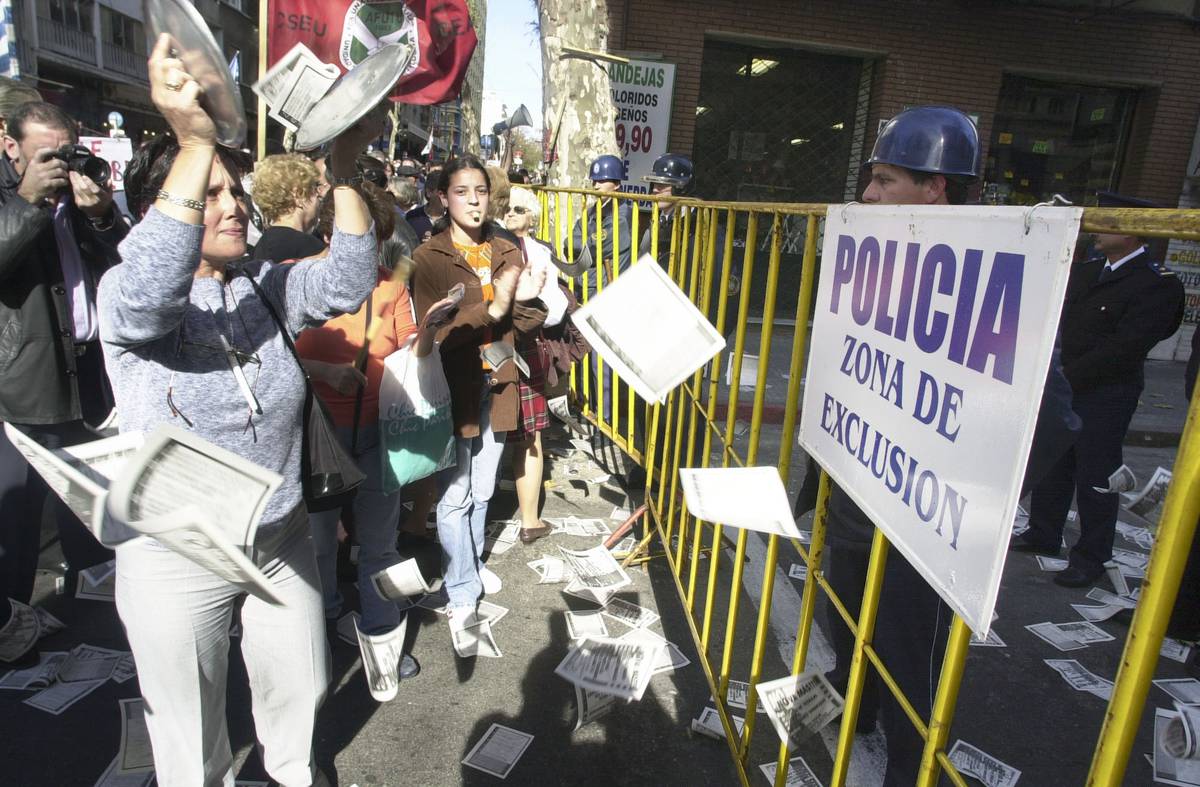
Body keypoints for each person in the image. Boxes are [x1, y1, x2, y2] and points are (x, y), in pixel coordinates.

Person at [96, 35, 380, 786]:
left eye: (233, 192)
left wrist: (343, 172)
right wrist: (195, 139)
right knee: (190, 732)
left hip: (280, 536)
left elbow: (349, 276)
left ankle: (290, 770)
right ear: (168, 208)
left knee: (300, 685)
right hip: (176, 552)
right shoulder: (126, 294)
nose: (232, 206)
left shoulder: (261, 283)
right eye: (211, 194)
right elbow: (158, 280)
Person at [796, 106, 1079, 786]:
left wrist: (966, 492)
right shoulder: (876, 253)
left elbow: (1056, 419)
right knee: (845, 620)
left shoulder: (999, 269)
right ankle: (853, 704)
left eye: (885, 180)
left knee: (902, 653)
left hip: (916, 524)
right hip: (860, 501)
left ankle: (908, 764)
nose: (866, 195)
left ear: (936, 187)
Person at [299, 182, 454, 699]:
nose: (370, 251)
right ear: (332, 231)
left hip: (379, 433)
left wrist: (429, 333)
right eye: (362, 236)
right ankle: (318, 626)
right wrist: (323, 369)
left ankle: (384, 635)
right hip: (317, 434)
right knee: (318, 545)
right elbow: (268, 358)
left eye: (377, 238)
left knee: (379, 545)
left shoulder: (392, 286)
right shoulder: (292, 281)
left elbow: (411, 345)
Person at [0, 99, 128, 666]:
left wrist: (100, 213)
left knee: (90, 508)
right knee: (17, 519)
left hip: (87, 376)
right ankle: (10, 625)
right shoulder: (14, 199)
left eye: (66, 152)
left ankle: (93, 615)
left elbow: (126, 257)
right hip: (23, 382)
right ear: (12, 149)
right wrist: (30, 199)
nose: (58, 165)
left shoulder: (75, 196)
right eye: (45, 155)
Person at [409, 155, 547, 639]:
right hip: (454, 390)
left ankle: (465, 565)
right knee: (455, 493)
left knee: (483, 491)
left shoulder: (507, 248)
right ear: (444, 198)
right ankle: (462, 588)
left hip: (498, 383)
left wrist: (518, 306)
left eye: (481, 191)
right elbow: (438, 334)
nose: (473, 200)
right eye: (462, 191)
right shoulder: (429, 257)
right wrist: (494, 308)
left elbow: (532, 319)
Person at [1015, 191, 1185, 587]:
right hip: (1066, 384)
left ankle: (1091, 555)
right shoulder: (1090, 272)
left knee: (1096, 474)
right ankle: (1044, 532)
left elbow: (1126, 346)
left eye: (1105, 221)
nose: (1094, 229)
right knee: (1055, 462)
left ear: (1130, 230)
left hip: (1106, 393)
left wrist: (1067, 375)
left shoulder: (1156, 284)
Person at [503, 186, 569, 545]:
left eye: (519, 209)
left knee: (529, 435)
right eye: (507, 209)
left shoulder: (540, 253)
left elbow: (555, 309)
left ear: (532, 217)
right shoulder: (493, 246)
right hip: (502, 344)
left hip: (524, 346)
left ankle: (530, 520)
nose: (511, 214)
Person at [251, 153, 326, 262]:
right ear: (299, 195)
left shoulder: (261, 245)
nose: (320, 196)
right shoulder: (311, 248)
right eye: (314, 189)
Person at [406, 175, 443, 243]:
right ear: (429, 192)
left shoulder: (454, 218)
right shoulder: (412, 217)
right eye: (441, 193)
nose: (446, 196)